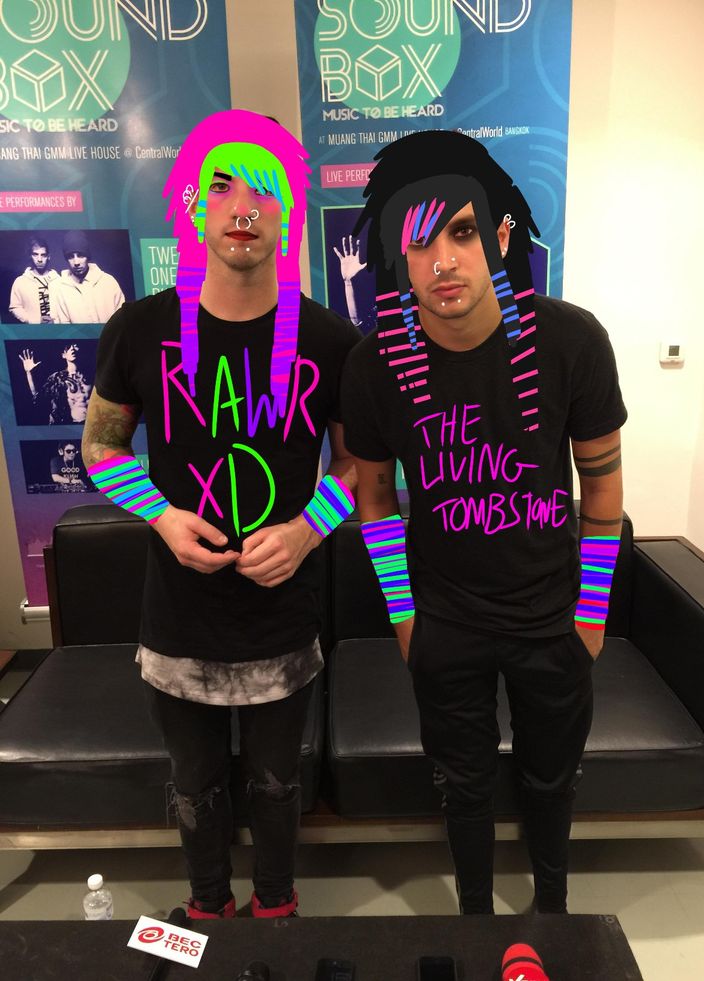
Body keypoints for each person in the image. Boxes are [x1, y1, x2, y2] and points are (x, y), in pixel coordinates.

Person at [81, 110, 359, 920]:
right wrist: (162, 515)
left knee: (276, 785)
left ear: (289, 206)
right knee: (194, 785)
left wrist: (309, 527)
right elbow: (101, 449)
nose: (243, 204)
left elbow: (357, 465)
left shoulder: (329, 338)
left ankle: (275, 909)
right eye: (221, 183)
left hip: (281, 616)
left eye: (264, 186)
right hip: (178, 617)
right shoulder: (139, 327)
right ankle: (206, 909)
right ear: (193, 205)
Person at [341, 130, 627, 915]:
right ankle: (473, 918)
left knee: (550, 775)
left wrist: (591, 615)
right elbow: (371, 500)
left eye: (462, 232)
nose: (442, 260)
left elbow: (603, 494)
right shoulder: (373, 366)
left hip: (551, 618)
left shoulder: (572, 341)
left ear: (500, 235)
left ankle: (553, 911)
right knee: (462, 782)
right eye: (419, 241)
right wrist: (405, 618)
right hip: (445, 622)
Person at [50, 230, 125, 323]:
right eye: (70, 256)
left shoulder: (108, 282)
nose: (76, 262)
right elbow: (63, 327)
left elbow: (122, 321)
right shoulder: (60, 288)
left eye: (80, 255)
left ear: (88, 256)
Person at [19, 342, 92, 424]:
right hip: (67, 426)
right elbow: (39, 399)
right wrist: (29, 373)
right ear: (63, 355)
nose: (72, 348)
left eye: (75, 346)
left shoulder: (93, 376)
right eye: (68, 347)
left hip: (90, 426)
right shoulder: (56, 378)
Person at [9, 236, 59, 323]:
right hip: (32, 332)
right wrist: (34, 320)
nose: (39, 259)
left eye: (43, 255)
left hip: (57, 331)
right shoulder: (20, 282)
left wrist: (56, 322)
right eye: (35, 254)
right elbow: (15, 307)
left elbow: (66, 308)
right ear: (30, 256)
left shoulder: (59, 281)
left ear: (48, 257)